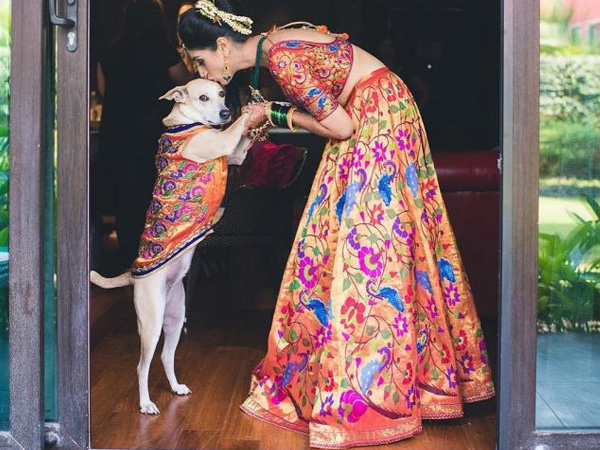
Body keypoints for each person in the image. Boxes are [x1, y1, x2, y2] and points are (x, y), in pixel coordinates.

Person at [178, 1, 495, 447]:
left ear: (223, 47)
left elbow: (341, 126)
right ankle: (413, 378)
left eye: (201, 61)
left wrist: (274, 113)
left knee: (368, 248)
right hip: (383, 107)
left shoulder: (280, 56)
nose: (204, 72)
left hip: (373, 118)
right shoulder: (276, 41)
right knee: (382, 239)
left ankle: (373, 388)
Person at [96, 0, 193, 271]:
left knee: (125, 203)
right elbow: (187, 84)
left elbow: (104, 92)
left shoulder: (109, 52)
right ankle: (154, 260)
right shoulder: (163, 51)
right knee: (155, 198)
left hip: (118, 137)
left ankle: (129, 257)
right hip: (153, 137)